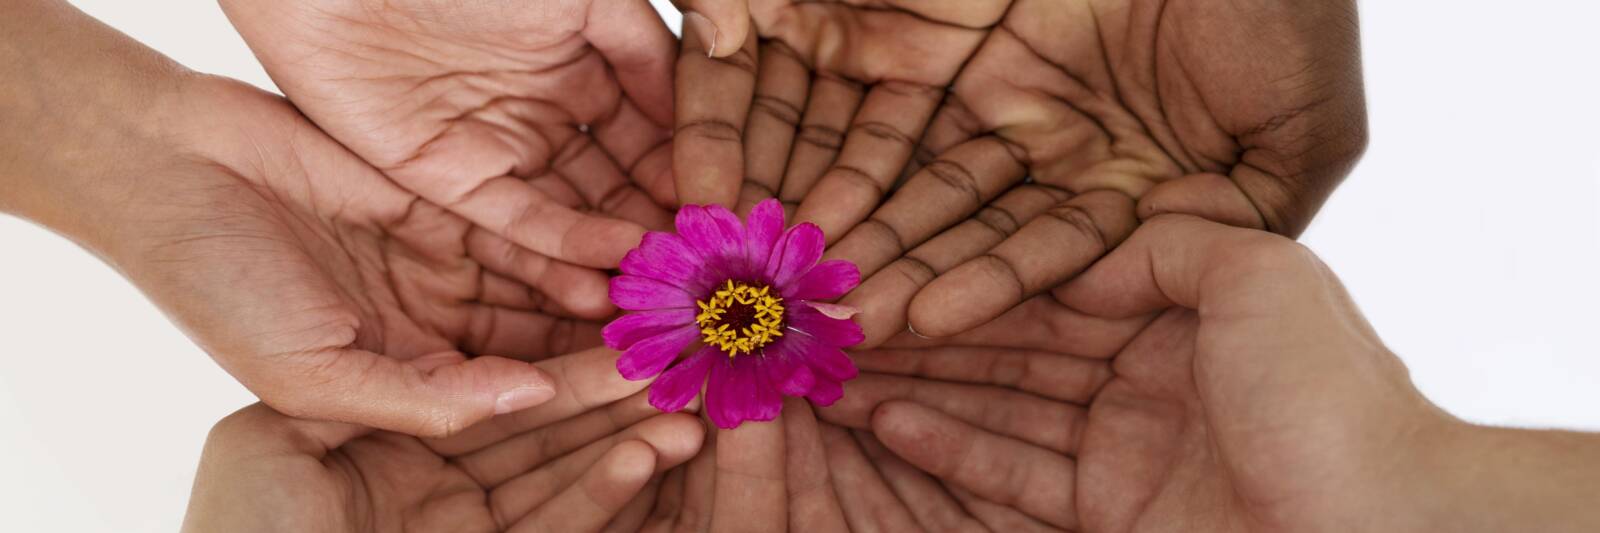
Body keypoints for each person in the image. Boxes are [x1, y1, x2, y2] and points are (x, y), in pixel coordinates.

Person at [186, 216, 1600, 532]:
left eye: (748, 302)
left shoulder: (788, 322)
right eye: (731, 305)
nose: (741, 309)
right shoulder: (705, 321)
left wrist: (1409, 491)